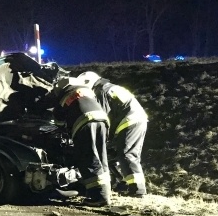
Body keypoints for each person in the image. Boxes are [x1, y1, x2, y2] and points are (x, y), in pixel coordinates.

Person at [78, 71, 148, 197]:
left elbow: (102, 116)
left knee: (127, 154)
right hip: (135, 119)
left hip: (129, 121)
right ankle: (125, 183)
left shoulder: (101, 91)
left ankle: (138, 190)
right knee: (118, 154)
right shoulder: (109, 87)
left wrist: (103, 137)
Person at [51, 76, 111, 205]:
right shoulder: (86, 90)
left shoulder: (64, 95)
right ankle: (106, 193)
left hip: (84, 123)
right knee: (101, 157)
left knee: (89, 158)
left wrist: (63, 129)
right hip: (102, 120)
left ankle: (98, 198)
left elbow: (58, 120)